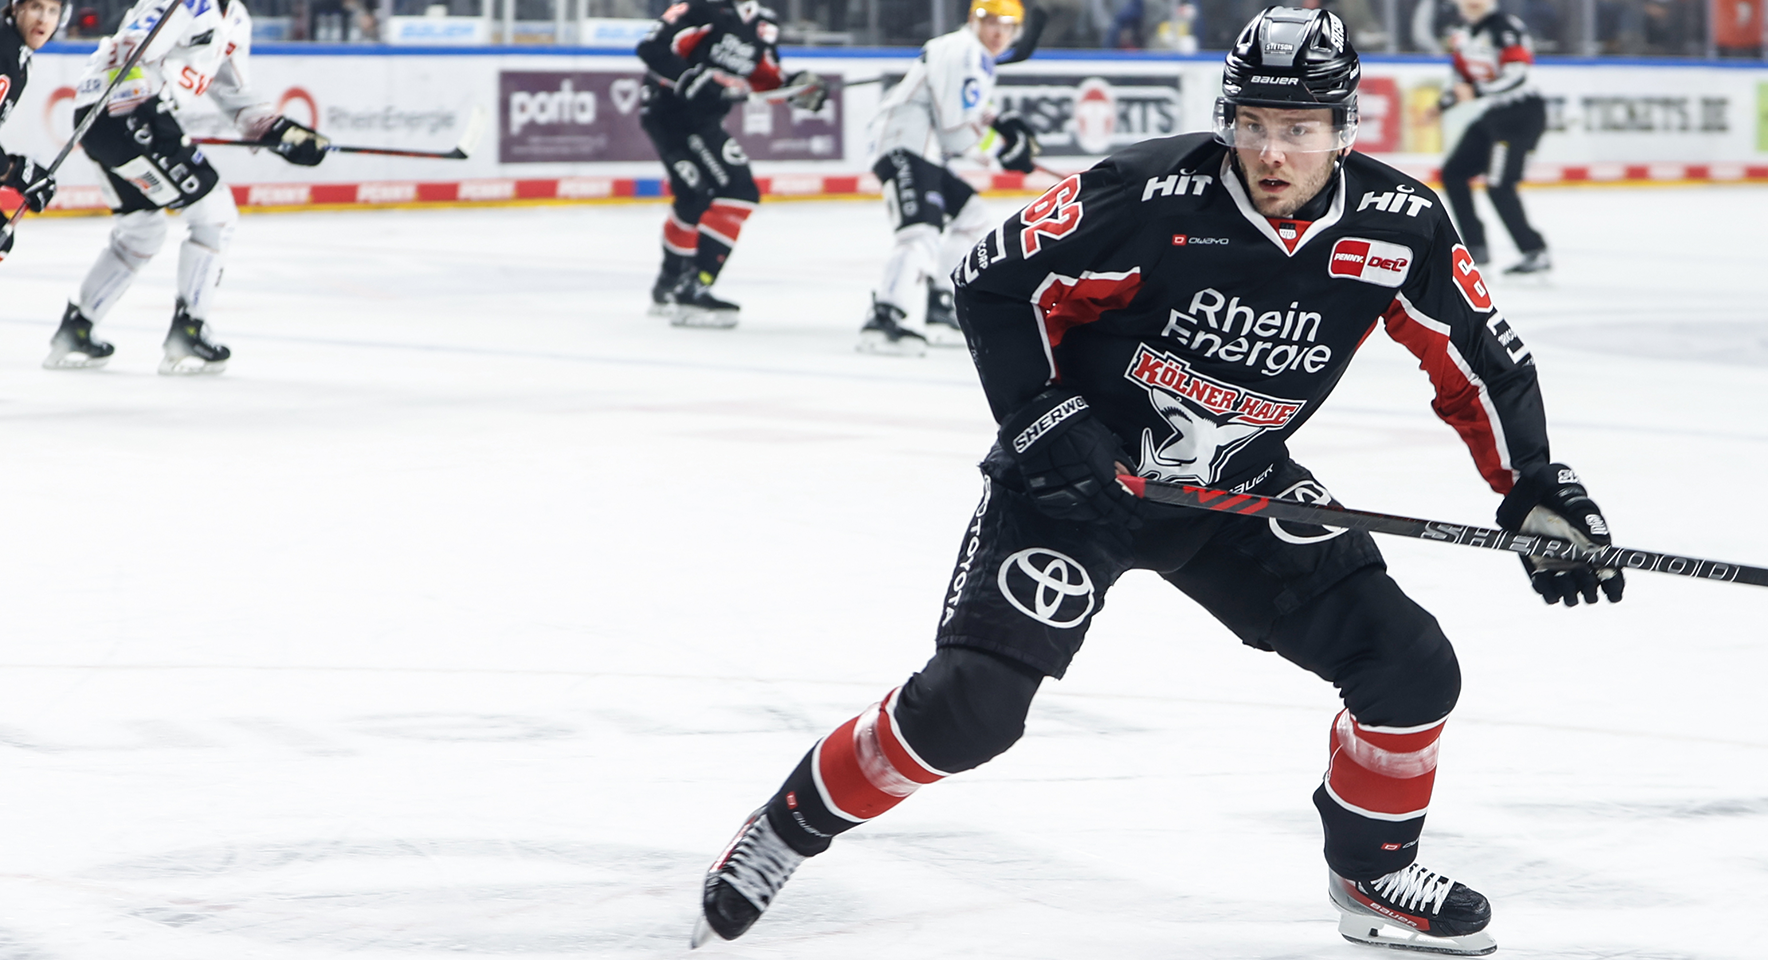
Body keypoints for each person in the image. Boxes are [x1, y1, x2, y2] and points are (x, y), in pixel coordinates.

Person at [690, 7, 1627, 956]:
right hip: (1075, 481)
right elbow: (989, 281)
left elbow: (1480, 363)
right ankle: (785, 829)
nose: (1272, 150)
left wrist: (1534, 490)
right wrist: (1045, 425)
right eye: (1253, 122)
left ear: (1347, 127)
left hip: (1236, 490)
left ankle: (1373, 872)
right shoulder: (1148, 191)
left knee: (1410, 664)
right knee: (971, 710)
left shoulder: (1402, 223)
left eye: (1299, 128)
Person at [46, 0, 330, 377]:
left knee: (142, 230)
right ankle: (188, 332)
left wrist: (284, 133)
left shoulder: (236, 18)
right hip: (127, 111)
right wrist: (139, 105)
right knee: (217, 214)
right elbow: (132, 45)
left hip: (110, 119)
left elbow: (236, 98)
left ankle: (76, 329)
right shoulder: (187, 2)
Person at [856, 0, 1042, 356]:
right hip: (905, 146)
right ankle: (886, 316)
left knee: (971, 216)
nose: (999, 32)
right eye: (991, 21)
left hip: (924, 150)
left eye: (1008, 25)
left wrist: (998, 124)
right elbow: (956, 131)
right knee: (919, 232)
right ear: (974, 19)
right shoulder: (963, 50)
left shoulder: (974, 55)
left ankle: (937, 303)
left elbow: (963, 111)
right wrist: (1003, 150)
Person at [637, 0, 814, 328]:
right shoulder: (699, 8)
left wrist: (797, 89)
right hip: (670, 113)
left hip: (703, 121)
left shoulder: (763, 22)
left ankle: (669, 287)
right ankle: (693, 289)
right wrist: (690, 77)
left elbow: (766, 77)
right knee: (739, 190)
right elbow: (652, 47)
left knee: (694, 199)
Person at [0, 0, 63, 398]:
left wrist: (13, 173)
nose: (44, 19)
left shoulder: (10, 50)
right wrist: (15, 172)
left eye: (53, 9)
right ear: (16, 8)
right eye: (35, 7)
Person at [1440, 0, 1550, 275]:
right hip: (1492, 114)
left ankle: (1534, 251)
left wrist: (1476, 93)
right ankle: (1476, 248)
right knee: (1453, 174)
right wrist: (1441, 104)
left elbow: (1517, 76)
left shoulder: (1506, 28)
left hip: (1521, 115)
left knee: (1499, 185)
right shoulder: (1460, 33)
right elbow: (1461, 78)